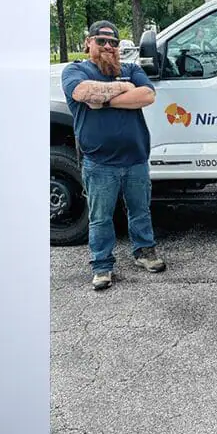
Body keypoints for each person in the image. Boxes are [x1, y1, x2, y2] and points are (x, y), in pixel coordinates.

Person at [61, 20, 166, 291]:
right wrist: (123, 89)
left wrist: (103, 100)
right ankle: (102, 266)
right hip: (99, 161)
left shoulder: (130, 68)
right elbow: (81, 92)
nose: (108, 46)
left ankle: (144, 252)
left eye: (114, 42)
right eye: (101, 41)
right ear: (88, 43)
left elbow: (147, 95)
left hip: (135, 158)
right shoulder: (75, 69)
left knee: (140, 211)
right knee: (100, 217)